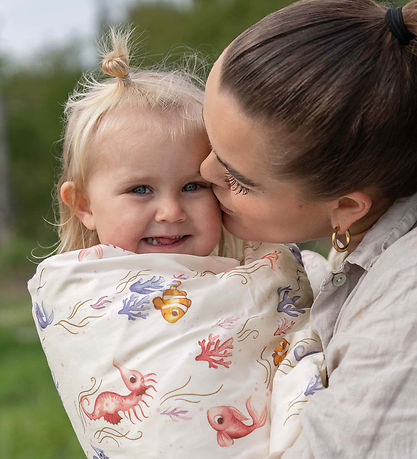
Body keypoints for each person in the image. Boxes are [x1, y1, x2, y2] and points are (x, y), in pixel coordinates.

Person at [28, 29, 321, 458]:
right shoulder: (81, 293)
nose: (170, 211)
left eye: (192, 185)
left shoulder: (255, 268)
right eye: (141, 190)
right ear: (84, 204)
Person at [200, 0, 417, 457]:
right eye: (209, 143)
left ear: (346, 207)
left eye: (237, 178)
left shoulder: (402, 322)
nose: (204, 171)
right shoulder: (364, 241)